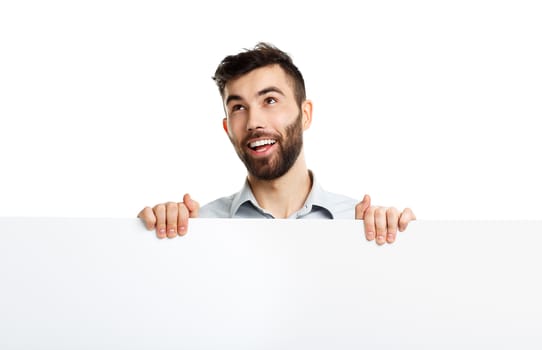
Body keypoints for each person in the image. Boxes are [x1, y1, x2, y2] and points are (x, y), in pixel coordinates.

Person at [138, 42, 416, 245]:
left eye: (270, 100)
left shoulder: (361, 226)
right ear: (227, 128)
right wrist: (152, 238)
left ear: (305, 115)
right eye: (238, 107)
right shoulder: (198, 227)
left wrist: (402, 246)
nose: (253, 122)